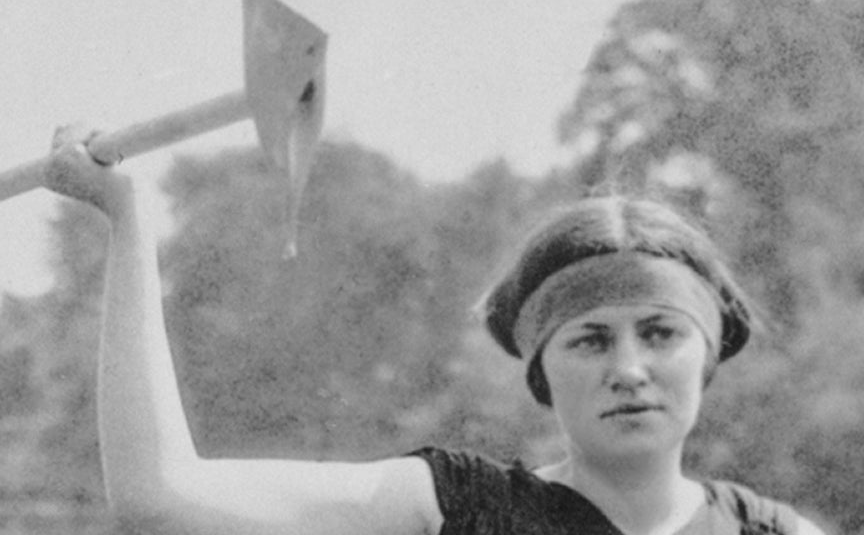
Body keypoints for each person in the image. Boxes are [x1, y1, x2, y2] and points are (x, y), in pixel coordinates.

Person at [42, 124, 825, 535]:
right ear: (541, 367)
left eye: (659, 333)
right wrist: (127, 219)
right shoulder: (457, 507)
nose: (628, 367)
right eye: (590, 339)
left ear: (708, 353)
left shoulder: (771, 532)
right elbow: (160, 497)